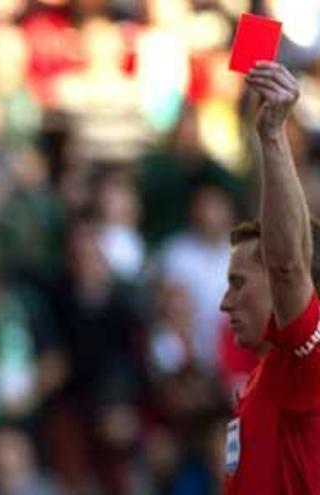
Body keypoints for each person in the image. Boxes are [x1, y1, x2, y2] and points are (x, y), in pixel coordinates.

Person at [218, 62, 320, 494]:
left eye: (239, 282)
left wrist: (274, 135)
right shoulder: (266, 377)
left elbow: (287, 264)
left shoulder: (304, 363)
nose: (225, 302)